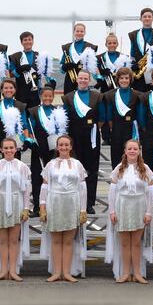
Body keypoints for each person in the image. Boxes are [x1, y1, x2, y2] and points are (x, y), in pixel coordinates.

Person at [105, 139, 153, 283]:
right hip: (123, 206)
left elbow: (149, 193)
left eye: (135, 149)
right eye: (130, 149)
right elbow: (112, 192)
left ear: (139, 151)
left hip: (139, 206)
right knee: (125, 243)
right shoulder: (119, 168)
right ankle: (126, 273)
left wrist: (149, 212)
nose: (132, 151)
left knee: (136, 243)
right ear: (125, 151)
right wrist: (112, 211)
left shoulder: (145, 168)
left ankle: (138, 273)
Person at [39, 135, 88, 282]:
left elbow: (83, 188)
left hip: (72, 202)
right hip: (54, 202)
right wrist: (42, 207)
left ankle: (66, 272)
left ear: (71, 147)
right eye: (61, 145)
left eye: (67, 145)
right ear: (57, 147)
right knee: (56, 240)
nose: (64, 147)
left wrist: (83, 209)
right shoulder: (50, 164)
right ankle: (56, 272)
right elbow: (45, 186)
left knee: (68, 240)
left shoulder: (77, 164)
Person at [0, 138, 32, 281]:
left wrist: (26, 208)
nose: (8, 150)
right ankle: (3, 270)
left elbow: (26, 190)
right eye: (5, 148)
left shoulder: (22, 167)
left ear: (16, 149)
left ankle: (13, 270)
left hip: (16, 201)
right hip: (0, 202)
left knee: (13, 240)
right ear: (1, 149)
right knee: (3, 240)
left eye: (11, 147)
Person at [61, 70, 102, 214]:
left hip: (91, 136)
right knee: (74, 168)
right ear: (76, 80)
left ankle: (89, 202)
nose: (83, 81)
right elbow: (65, 119)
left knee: (91, 169)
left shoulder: (97, 96)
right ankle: (74, 199)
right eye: (81, 78)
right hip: (74, 136)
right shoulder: (68, 97)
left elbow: (101, 118)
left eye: (86, 78)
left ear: (89, 80)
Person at [28, 86, 66, 216]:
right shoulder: (33, 111)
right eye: (45, 96)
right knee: (37, 177)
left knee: (54, 177)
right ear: (40, 96)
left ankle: (53, 205)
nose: (48, 98)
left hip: (54, 150)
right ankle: (38, 207)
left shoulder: (58, 111)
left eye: (50, 96)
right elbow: (30, 128)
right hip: (38, 148)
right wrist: (32, 140)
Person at [102, 67, 141, 168]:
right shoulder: (110, 95)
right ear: (118, 80)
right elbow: (109, 116)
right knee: (116, 160)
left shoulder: (137, 95)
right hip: (116, 130)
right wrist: (112, 130)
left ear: (130, 79)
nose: (124, 80)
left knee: (132, 159)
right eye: (122, 78)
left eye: (126, 78)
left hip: (131, 131)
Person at [0, 79, 34, 161]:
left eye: (11, 88)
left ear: (15, 90)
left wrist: (27, 139)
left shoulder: (20, 105)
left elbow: (24, 125)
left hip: (15, 142)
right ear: (1, 90)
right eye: (6, 88)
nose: (8, 90)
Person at [9, 31, 51, 108]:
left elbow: (44, 75)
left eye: (29, 39)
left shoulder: (39, 56)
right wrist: (19, 70)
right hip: (20, 92)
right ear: (21, 42)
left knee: (34, 115)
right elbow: (10, 74)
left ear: (33, 41)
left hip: (35, 93)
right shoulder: (15, 57)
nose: (28, 41)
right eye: (25, 40)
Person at [128, 8, 153, 92]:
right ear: (140, 18)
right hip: (139, 72)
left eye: (149, 16)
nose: (147, 18)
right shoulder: (134, 35)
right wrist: (133, 64)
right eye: (144, 16)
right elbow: (132, 53)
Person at [60, 23, 98, 94]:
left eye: (81, 31)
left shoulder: (90, 47)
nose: (79, 33)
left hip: (84, 80)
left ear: (85, 32)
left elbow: (93, 67)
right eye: (77, 31)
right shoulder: (67, 47)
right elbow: (61, 70)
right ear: (74, 32)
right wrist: (65, 67)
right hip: (70, 81)